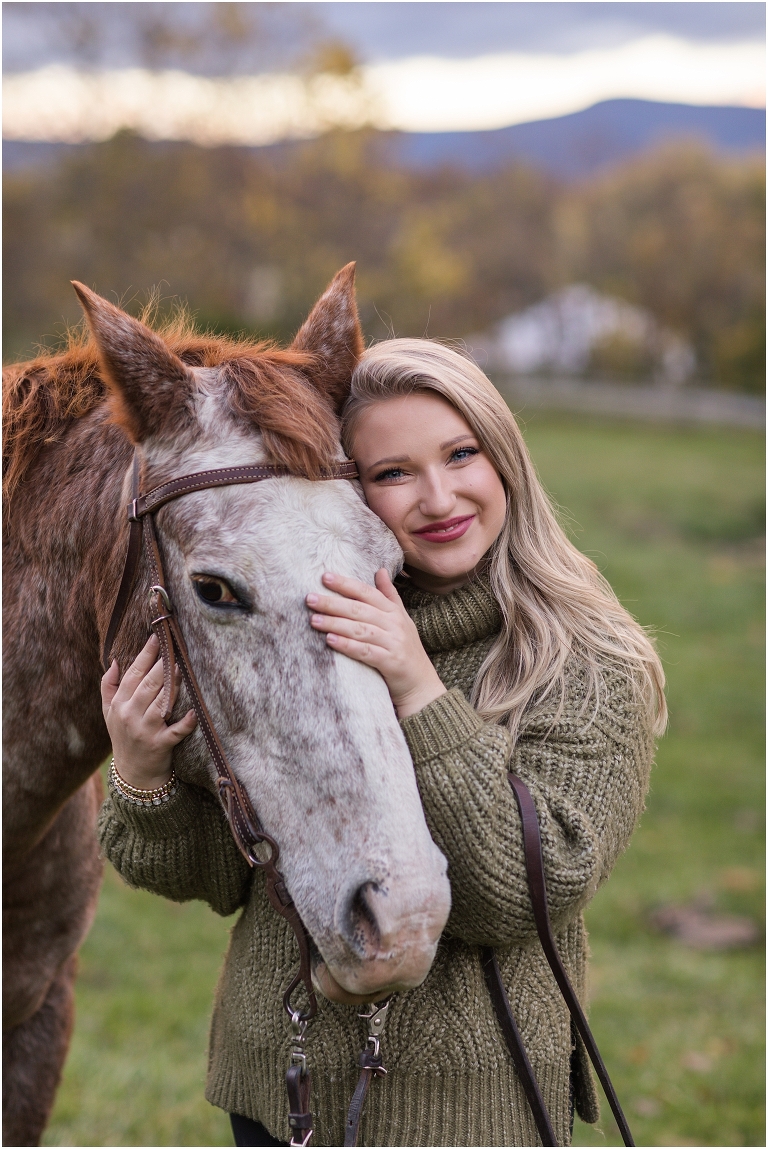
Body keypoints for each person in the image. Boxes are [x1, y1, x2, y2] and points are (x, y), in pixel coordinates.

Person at [99, 339, 665, 1147]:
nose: (438, 496)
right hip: (277, 1085)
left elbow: (525, 891)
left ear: (505, 459)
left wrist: (418, 689)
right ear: (347, 487)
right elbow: (227, 877)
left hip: (466, 1108)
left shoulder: (586, 661)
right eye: (392, 473)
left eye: (461, 454)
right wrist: (144, 772)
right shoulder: (302, 621)